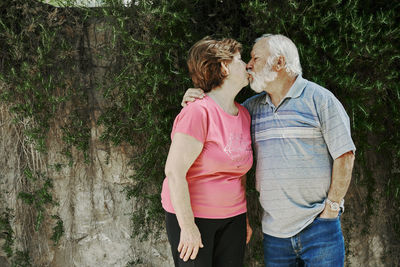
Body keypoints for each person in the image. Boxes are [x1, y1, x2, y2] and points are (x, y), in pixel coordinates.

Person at [181, 34, 356, 267]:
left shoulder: (320, 100)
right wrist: (195, 97)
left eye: (255, 58)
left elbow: (345, 155)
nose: (249, 64)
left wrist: (332, 209)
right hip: (275, 234)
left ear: (279, 63)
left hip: (319, 228)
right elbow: (220, 121)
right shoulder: (249, 110)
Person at [161, 37, 253, 267]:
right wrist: (188, 226)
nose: (247, 66)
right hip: (196, 219)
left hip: (234, 220)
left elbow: (239, 172)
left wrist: (245, 219)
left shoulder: (244, 114)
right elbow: (174, 172)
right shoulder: (197, 112)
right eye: (240, 60)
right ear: (224, 67)